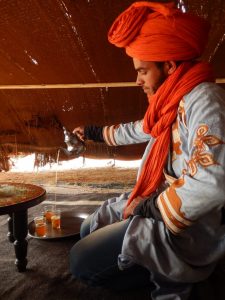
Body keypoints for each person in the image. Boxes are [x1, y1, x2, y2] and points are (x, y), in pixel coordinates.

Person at [70, 2, 225, 299]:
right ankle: (142, 264)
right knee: (88, 228)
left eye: (143, 71)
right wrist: (93, 133)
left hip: (189, 223)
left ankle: (177, 276)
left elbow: (212, 184)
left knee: (82, 264)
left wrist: (148, 206)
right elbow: (139, 128)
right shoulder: (169, 102)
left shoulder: (206, 100)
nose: (137, 80)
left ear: (169, 65)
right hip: (157, 200)